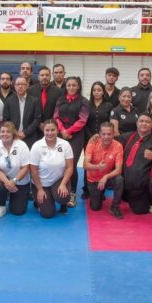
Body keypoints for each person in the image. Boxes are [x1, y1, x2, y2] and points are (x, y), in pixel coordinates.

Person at [115, 113, 152, 227]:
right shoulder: (127, 137)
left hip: (147, 182)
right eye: (141, 121)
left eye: (147, 122)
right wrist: (96, 137)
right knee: (138, 211)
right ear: (137, 123)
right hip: (130, 184)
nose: (144, 124)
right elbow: (109, 139)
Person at [53, 76, 89, 206]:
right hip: (61, 134)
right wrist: (62, 130)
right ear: (66, 86)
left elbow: (83, 120)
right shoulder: (60, 99)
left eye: (74, 85)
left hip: (76, 136)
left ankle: (72, 192)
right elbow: (56, 116)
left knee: (71, 164)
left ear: (78, 86)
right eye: (69, 85)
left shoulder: (84, 101)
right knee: (60, 163)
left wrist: (69, 131)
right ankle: (59, 189)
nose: (71, 87)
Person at [29, 120, 74, 218]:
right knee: (47, 214)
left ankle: (63, 203)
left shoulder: (65, 144)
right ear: (43, 131)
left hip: (58, 180)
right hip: (42, 184)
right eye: (47, 130)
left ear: (57, 130)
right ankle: (40, 200)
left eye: (53, 130)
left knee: (63, 197)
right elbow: (33, 171)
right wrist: (40, 190)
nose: (50, 133)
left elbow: (70, 167)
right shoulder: (36, 146)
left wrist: (63, 184)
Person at [0, 122, 32, 217]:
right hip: (4, 179)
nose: (5, 134)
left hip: (20, 180)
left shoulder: (22, 145)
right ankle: (1, 206)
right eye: (2, 131)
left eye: (8, 131)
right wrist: (8, 183)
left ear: (13, 133)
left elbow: (26, 167)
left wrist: (14, 181)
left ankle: (13, 196)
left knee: (18, 211)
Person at [84, 122, 124, 216]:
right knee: (95, 207)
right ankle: (99, 194)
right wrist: (97, 167)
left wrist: (106, 177)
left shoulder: (118, 146)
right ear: (100, 134)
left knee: (119, 179)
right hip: (94, 179)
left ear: (113, 134)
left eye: (109, 134)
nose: (106, 137)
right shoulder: (92, 143)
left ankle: (114, 207)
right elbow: (85, 165)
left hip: (107, 178)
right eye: (104, 134)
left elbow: (118, 170)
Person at [3, 76, 42, 150]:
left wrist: (25, 132)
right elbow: (6, 119)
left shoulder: (35, 101)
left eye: (23, 84)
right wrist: (15, 132)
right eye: (18, 84)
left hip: (30, 136)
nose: (20, 86)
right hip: (13, 136)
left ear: (27, 86)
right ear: (14, 86)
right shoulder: (9, 101)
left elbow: (37, 119)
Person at [28, 66, 63, 139]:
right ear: (38, 77)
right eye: (42, 75)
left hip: (51, 128)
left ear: (50, 76)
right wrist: (38, 124)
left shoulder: (58, 91)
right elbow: (29, 110)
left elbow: (58, 110)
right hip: (34, 128)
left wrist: (48, 124)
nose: (44, 77)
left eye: (47, 75)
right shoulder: (30, 90)